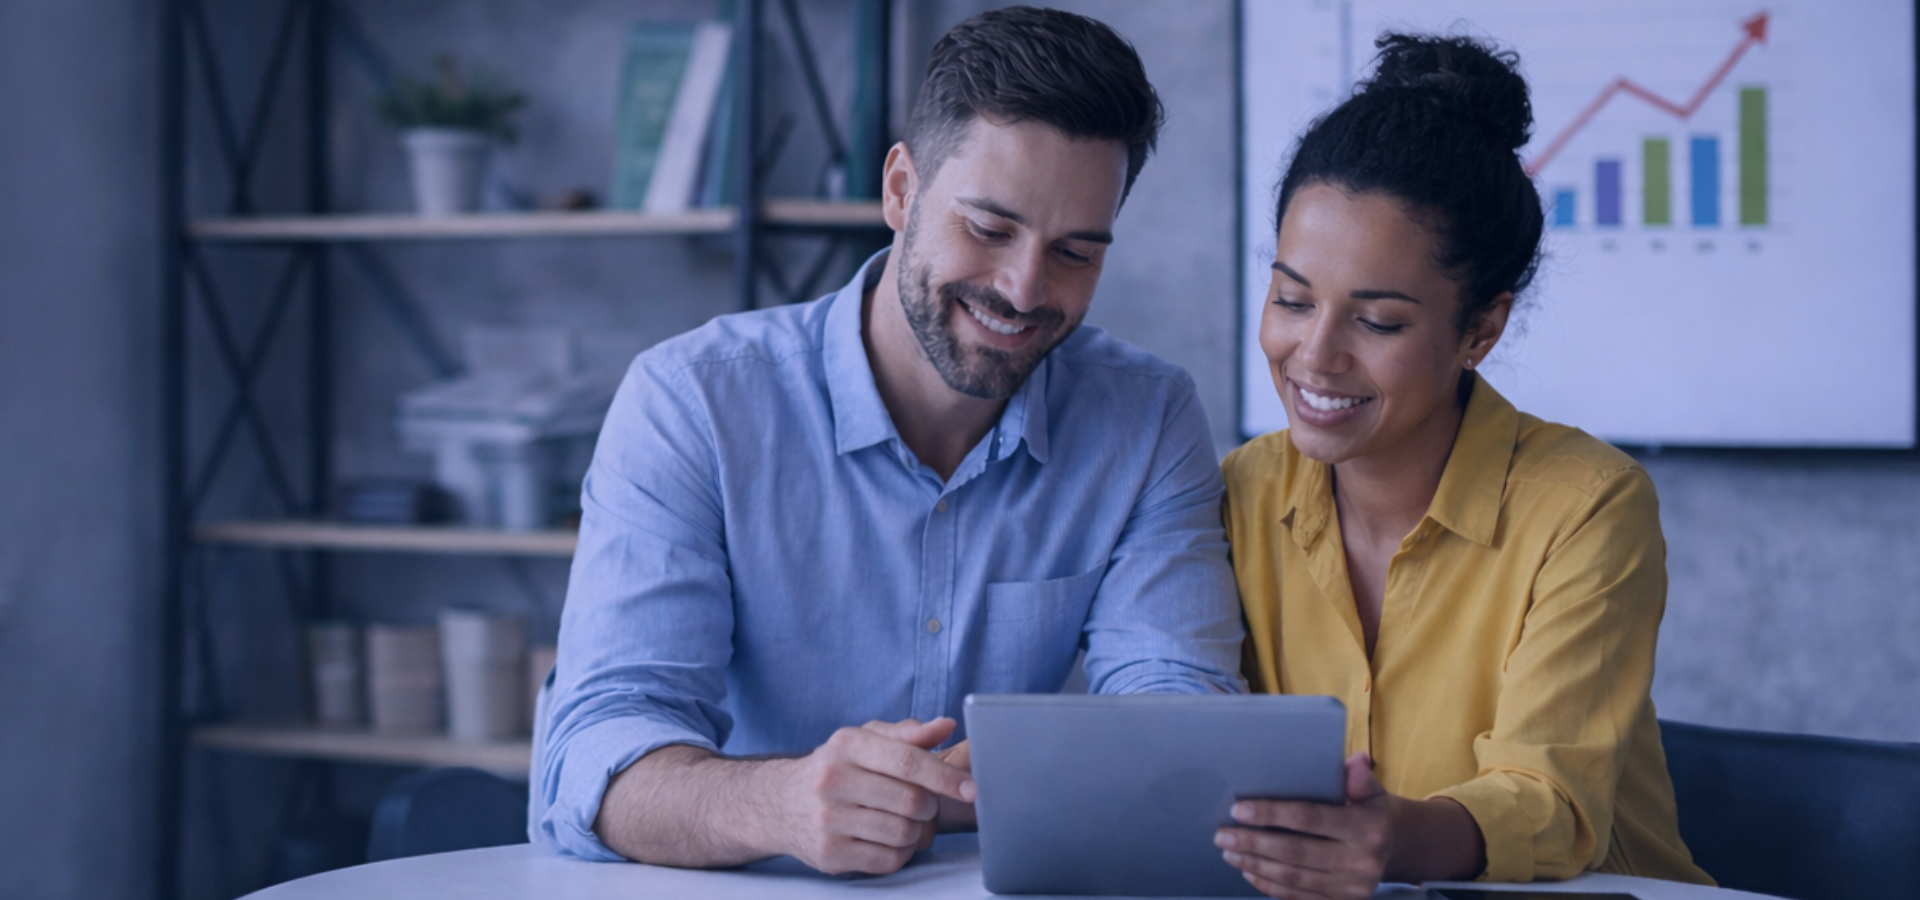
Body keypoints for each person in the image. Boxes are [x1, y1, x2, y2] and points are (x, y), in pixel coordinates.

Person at [531, 6, 1245, 877]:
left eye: (1075, 252)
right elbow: (593, 758)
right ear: (901, 190)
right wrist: (782, 803)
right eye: (988, 229)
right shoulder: (692, 403)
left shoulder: (1148, 418)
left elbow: (1179, 719)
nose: (1025, 289)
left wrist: (1009, 779)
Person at [1215, 34, 1714, 899]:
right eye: (1292, 299)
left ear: (1481, 329)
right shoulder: (1239, 494)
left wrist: (1389, 839)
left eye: (1378, 322)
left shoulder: (1586, 506)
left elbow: (1550, 803)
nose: (1315, 355)